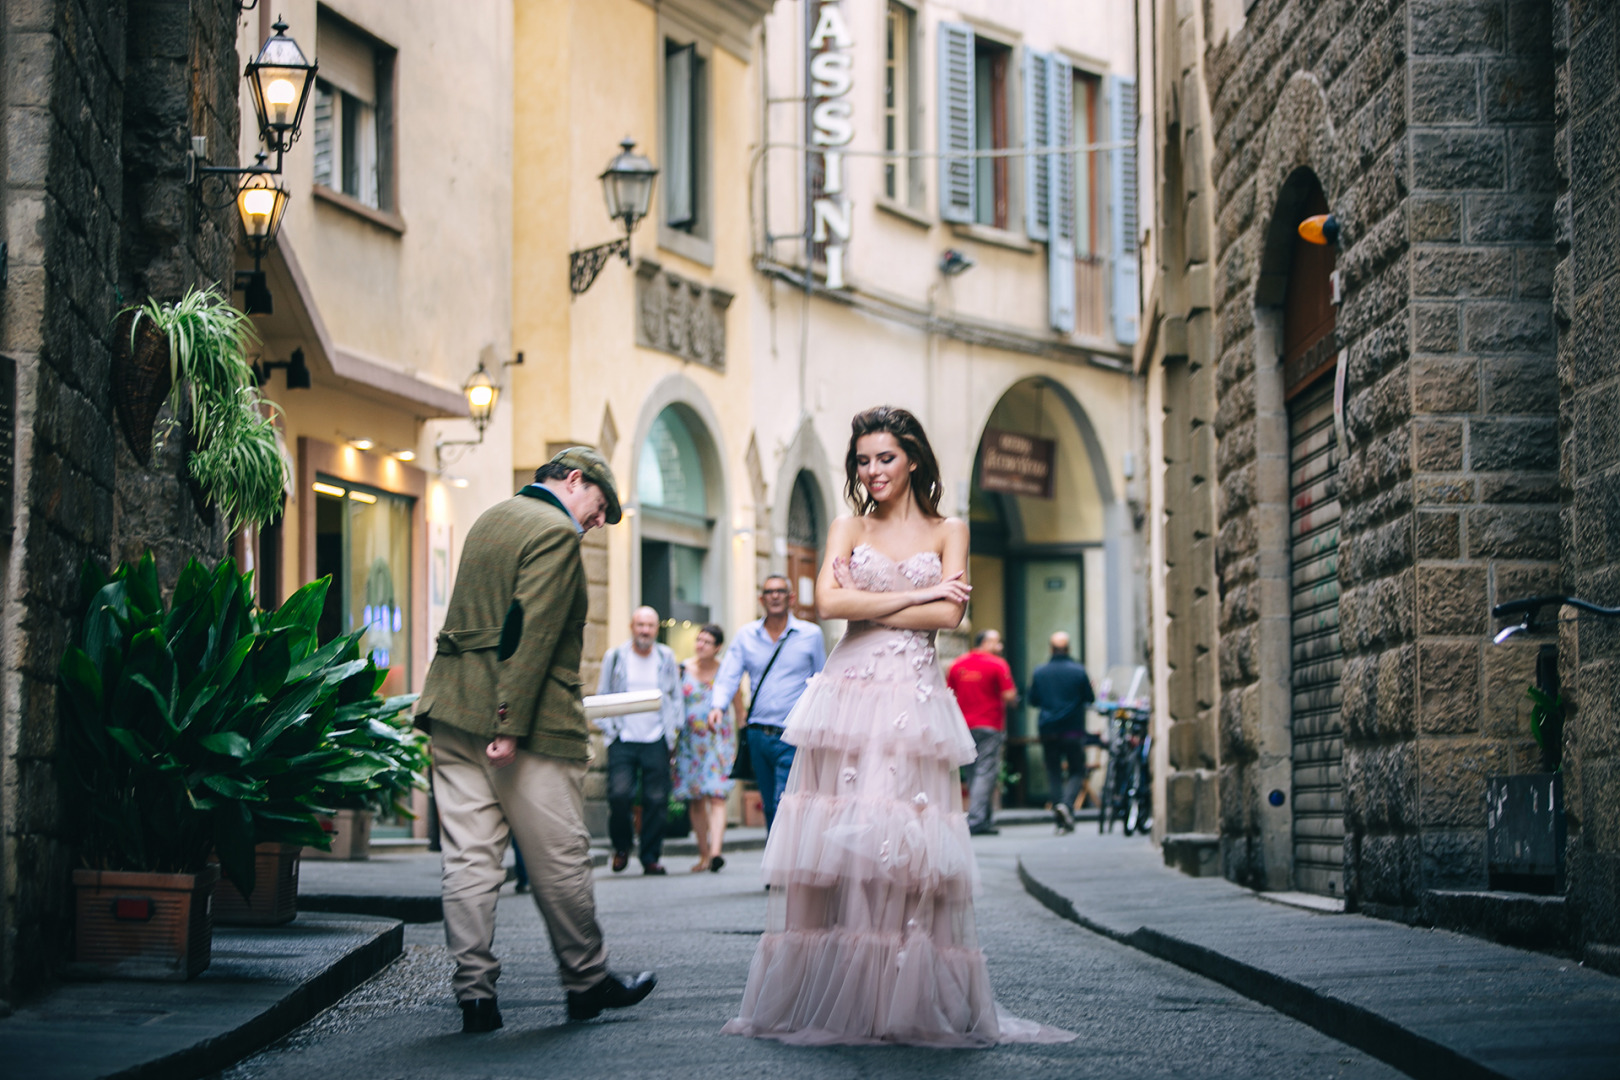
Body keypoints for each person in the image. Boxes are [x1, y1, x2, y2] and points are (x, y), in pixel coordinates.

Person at [722, 406, 1076, 1048]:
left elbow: (949, 616)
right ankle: (831, 997)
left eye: (885, 457)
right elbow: (829, 605)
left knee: (903, 844)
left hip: (911, 701)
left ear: (911, 458)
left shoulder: (951, 530)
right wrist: (915, 596)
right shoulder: (847, 525)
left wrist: (894, 603)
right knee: (837, 839)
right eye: (862, 460)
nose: (873, 470)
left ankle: (897, 997)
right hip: (847, 695)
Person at [417, 447, 656, 1033]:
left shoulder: (490, 518)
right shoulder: (554, 532)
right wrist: (507, 724)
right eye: (599, 508)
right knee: (560, 858)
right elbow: (529, 633)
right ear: (574, 481)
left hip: (451, 709)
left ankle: (475, 995)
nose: (597, 522)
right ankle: (586, 980)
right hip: (523, 726)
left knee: (470, 861)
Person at [707, 576, 825, 831]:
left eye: (780, 591)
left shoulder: (810, 635)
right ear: (761, 599)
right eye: (769, 592)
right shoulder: (746, 636)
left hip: (793, 734)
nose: (774, 596)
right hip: (758, 734)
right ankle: (778, 860)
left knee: (784, 801)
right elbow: (729, 674)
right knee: (770, 805)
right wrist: (718, 706)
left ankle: (787, 861)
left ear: (790, 598)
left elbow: (821, 681)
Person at [596, 606, 683, 875]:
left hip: (656, 737)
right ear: (632, 627)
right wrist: (609, 732)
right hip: (623, 736)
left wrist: (673, 734)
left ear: (657, 629)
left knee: (656, 799)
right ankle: (621, 847)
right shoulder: (616, 656)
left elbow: (675, 696)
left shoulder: (666, 656)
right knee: (619, 795)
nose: (645, 630)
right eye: (640, 625)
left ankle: (650, 857)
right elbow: (603, 695)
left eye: (650, 625)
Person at [673, 623, 742, 872]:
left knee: (717, 795)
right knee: (696, 799)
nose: (700, 645)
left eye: (706, 642)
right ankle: (703, 854)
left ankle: (715, 853)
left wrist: (741, 741)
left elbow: (738, 708)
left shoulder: (726, 672)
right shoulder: (682, 670)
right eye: (698, 640)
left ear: (718, 647)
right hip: (690, 743)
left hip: (718, 741)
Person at [947, 629, 1018, 835]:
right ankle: (977, 820)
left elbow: (949, 693)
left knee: (972, 771)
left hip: (964, 725)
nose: (1000, 647)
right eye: (997, 642)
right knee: (986, 771)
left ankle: (984, 820)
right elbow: (1009, 695)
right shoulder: (997, 664)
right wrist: (1015, 701)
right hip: (989, 724)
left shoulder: (958, 664)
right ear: (985, 642)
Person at [1028, 631, 1097, 833]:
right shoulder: (1078, 671)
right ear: (1069, 649)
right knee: (1077, 770)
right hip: (1073, 730)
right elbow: (1090, 698)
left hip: (1048, 729)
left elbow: (1033, 700)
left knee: (1053, 772)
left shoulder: (1039, 672)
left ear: (1051, 649)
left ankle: (1060, 815)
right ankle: (1066, 806)